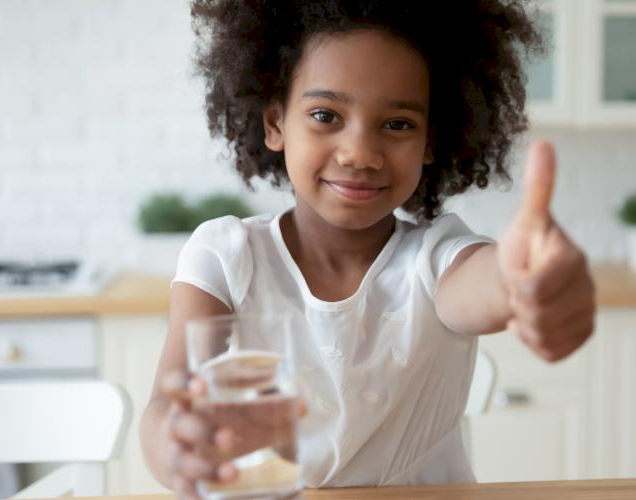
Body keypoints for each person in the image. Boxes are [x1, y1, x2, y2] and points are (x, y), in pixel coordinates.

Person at [140, 0, 596, 497]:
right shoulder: (227, 254)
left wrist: (518, 277)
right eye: (324, 115)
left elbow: (483, 283)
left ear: (430, 141)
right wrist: (175, 448)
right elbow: (169, 404)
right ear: (275, 123)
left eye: (397, 123)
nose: (359, 153)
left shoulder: (436, 257)